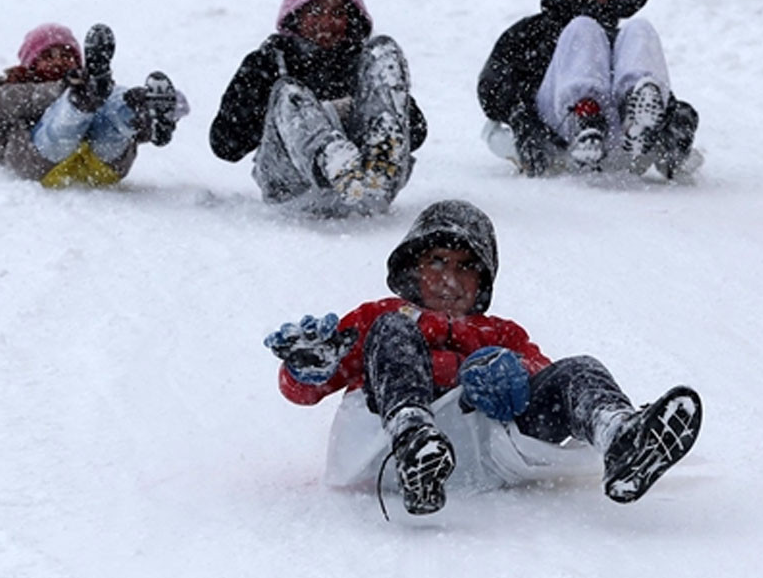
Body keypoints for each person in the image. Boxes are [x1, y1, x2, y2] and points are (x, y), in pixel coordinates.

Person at [263, 199, 703, 518]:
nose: (449, 279)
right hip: (388, 450)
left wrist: (510, 374)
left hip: (484, 454)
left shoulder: (502, 333)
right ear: (413, 268)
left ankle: (622, 438)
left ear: (484, 278)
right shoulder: (383, 315)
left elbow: (541, 373)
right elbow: (306, 391)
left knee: (578, 370)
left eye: (465, 266)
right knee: (394, 334)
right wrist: (307, 368)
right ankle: (414, 437)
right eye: (437, 261)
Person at [210, 0, 426, 216]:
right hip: (294, 189)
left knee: (384, 50)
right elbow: (225, 145)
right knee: (289, 94)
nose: (326, 22)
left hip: (369, 187)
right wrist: (262, 101)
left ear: (351, 20)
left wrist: (365, 111)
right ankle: (333, 159)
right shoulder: (269, 62)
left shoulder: (363, 64)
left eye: (337, 13)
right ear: (296, 15)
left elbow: (417, 132)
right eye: (315, 11)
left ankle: (379, 160)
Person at [478, 0, 700, 180]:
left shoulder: (621, 39)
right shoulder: (533, 33)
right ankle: (585, 117)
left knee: (641, 28)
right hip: (558, 131)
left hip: (623, 140)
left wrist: (674, 115)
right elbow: (493, 88)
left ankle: (636, 124)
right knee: (583, 27)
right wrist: (521, 115)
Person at [0, 23, 187, 188]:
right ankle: (79, 103)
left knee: (112, 114)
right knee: (64, 119)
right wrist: (63, 89)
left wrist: (146, 126)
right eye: (47, 56)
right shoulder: (13, 90)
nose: (58, 60)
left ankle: (145, 112)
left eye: (66, 55)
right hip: (43, 164)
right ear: (30, 64)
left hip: (102, 164)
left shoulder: (94, 88)